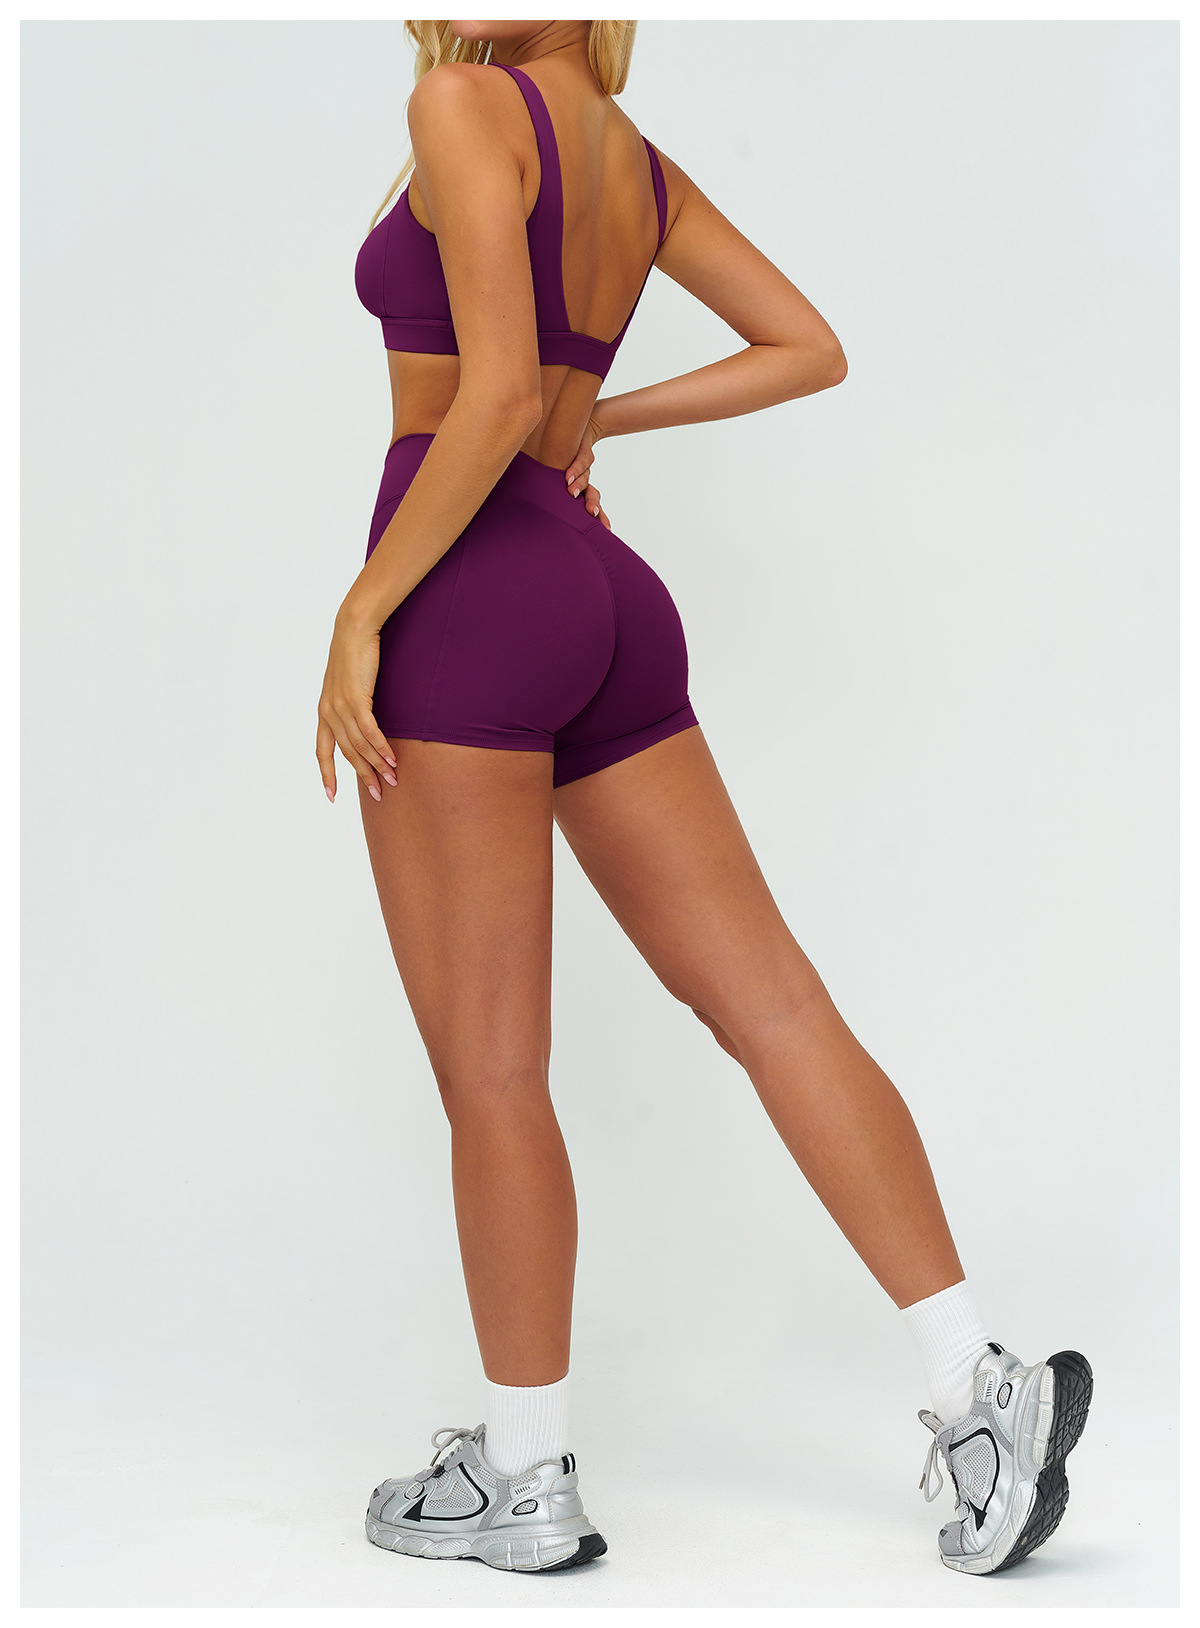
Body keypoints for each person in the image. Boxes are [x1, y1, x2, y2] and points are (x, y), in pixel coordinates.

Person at [316, 18, 1092, 1577]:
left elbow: (490, 395)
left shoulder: (463, 102)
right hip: (603, 590)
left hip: (467, 598)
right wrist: (604, 418)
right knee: (774, 1004)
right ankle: (976, 1387)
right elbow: (807, 343)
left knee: (493, 1073)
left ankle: (523, 1474)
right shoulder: (631, 160)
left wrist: (362, 609)